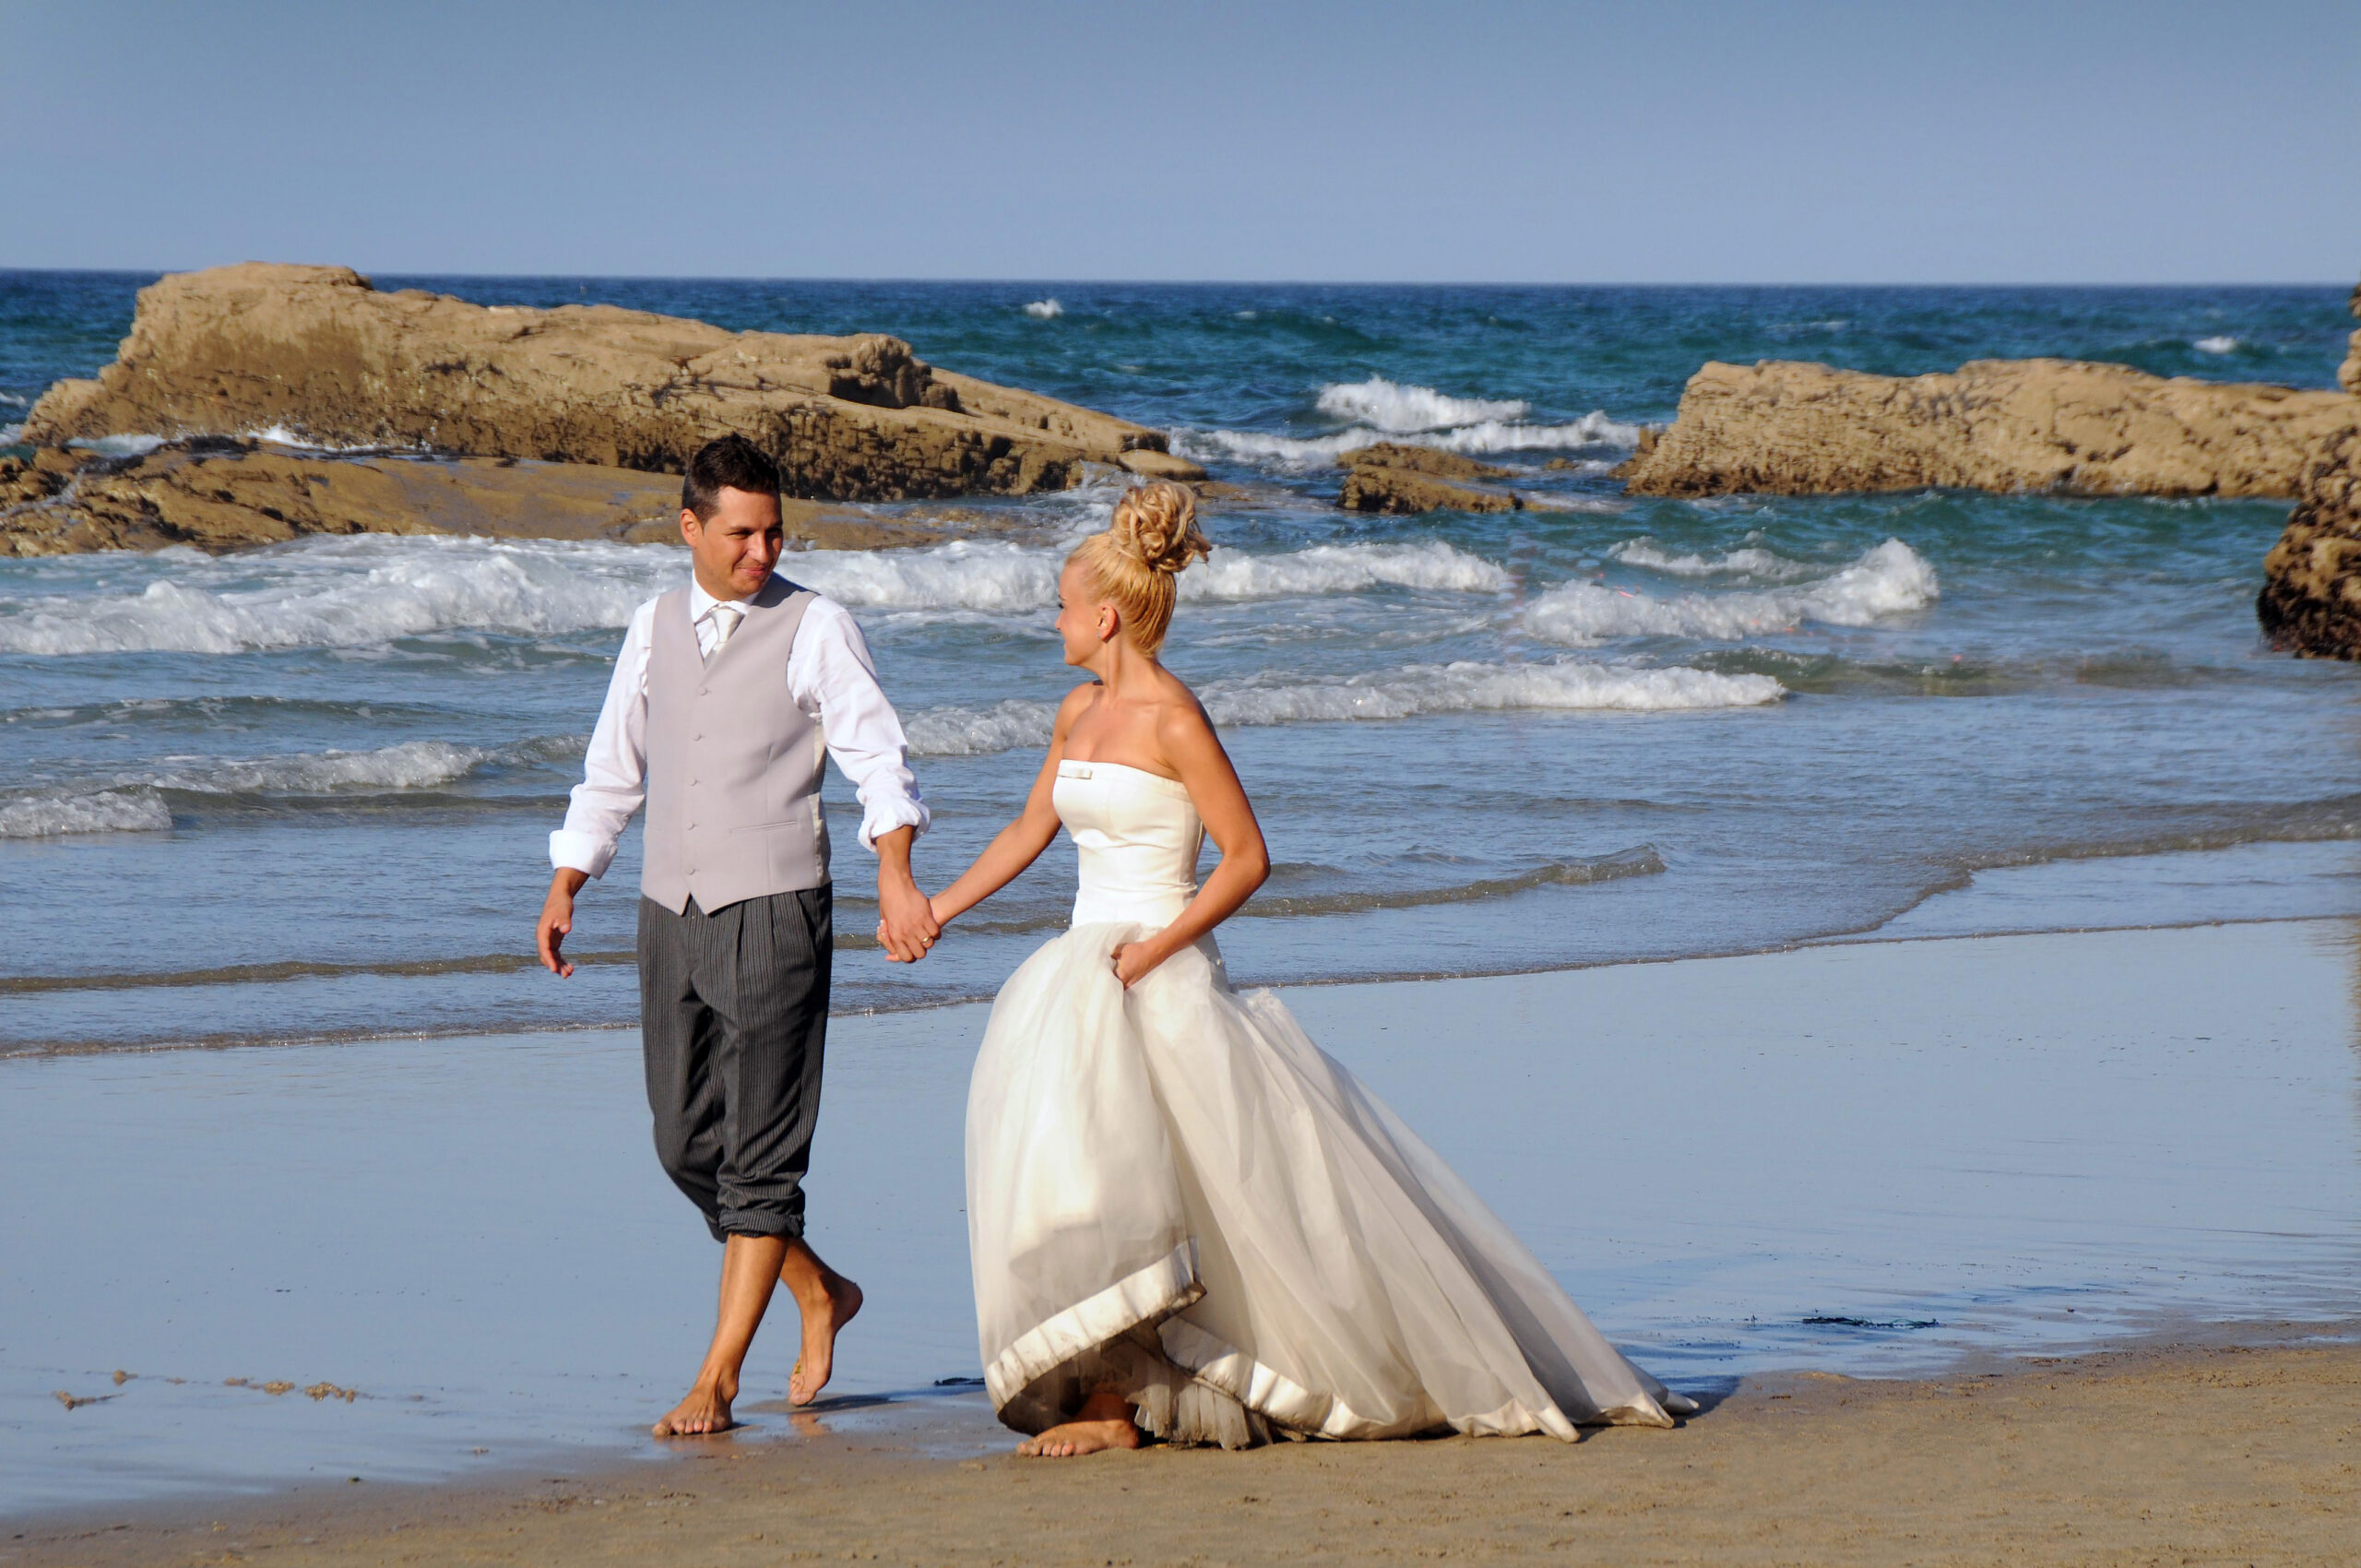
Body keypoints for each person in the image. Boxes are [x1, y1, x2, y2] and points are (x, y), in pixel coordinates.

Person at [912, 481, 1693, 1456]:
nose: (1054, 620)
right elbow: (1032, 826)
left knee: (1182, 1199)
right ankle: (1110, 1391)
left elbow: (1246, 856)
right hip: (1078, 974)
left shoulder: (1174, 718)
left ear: (1103, 615)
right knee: (1081, 1183)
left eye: (1062, 605)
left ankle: (1119, 1409)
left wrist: (1157, 949)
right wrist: (936, 907)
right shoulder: (1077, 708)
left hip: (1158, 967)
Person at [536, 434, 939, 1437]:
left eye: (773, 532)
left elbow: (878, 760)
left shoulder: (816, 625)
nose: (761, 552)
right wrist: (567, 878)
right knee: (684, 1143)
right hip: (667, 910)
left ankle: (715, 1377)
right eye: (740, 533)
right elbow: (613, 767)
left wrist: (895, 874)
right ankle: (819, 1287)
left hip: (775, 908)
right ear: (691, 527)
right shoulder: (652, 624)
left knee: (762, 1158)